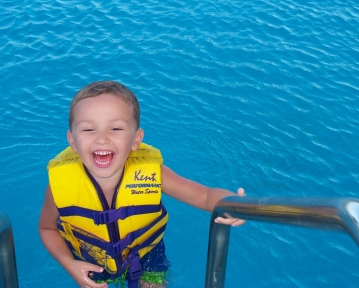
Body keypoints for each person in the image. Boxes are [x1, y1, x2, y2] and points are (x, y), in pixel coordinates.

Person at [39, 81, 245, 288]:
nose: (102, 139)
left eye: (116, 128)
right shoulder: (59, 185)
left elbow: (205, 196)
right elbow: (47, 228)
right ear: (72, 141)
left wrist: (232, 204)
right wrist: (69, 263)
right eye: (89, 129)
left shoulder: (153, 174)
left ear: (136, 140)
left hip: (146, 257)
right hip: (91, 262)